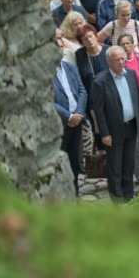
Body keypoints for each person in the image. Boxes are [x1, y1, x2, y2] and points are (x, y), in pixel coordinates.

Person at [90, 45, 139, 202]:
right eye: (117, 59)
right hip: (113, 131)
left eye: (123, 58)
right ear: (109, 61)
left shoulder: (131, 74)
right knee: (114, 167)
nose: (122, 62)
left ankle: (128, 195)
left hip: (131, 126)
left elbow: (138, 100)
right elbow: (99, 111)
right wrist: (104, 133)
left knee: (128, 164)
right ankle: (117, 199)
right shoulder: (100, 82)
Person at [117, 33, 139, 187]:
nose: (126, 46)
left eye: (128, 43)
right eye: (122, 43)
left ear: (133, 44)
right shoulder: (117, 64)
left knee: (136, 142)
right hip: (122, 108)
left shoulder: (138, 58)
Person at [53, 47, 88, 195]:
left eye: (61, 46)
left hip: (77, 121)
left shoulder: (70, 67)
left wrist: (78, 113)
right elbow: (47, 100)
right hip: (60, 124)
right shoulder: (43, 74)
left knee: (74, 161)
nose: (60, 48)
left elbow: (82, 91)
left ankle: (74, 192)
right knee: (59, 162)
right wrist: (68, 116)